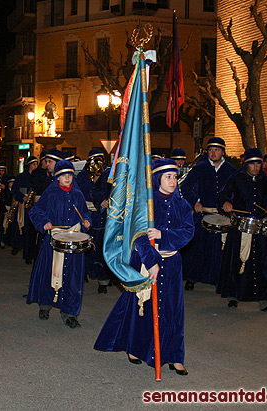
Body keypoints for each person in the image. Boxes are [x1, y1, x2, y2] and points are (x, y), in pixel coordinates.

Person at [94, 159, 194, 374]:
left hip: (172, 262)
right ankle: (135, 348)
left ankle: (174, 355)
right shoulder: (145, 205)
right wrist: (152, 262)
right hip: (146, 261)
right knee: (141, 307)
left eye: (175, 177)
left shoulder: (183, 205)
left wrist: (163, 235)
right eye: (168, 177)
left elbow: (188, 232)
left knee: (173, 309)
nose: (173, 181)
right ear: (157, 179)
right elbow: (138, 236)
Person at [26, 160, 91, 328]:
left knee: (73, 278)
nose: (67, 178)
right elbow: (35, 210)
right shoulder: (51, 193)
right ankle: (45, 305)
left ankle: (70, 313)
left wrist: (87, 221)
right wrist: (44, 222)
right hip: (54, 241)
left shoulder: (78, 194)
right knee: (50, 273)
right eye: (64, 175)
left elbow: (85, 211)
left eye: (70, 175)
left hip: (74, 241)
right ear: (57, 177)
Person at [216, 148, 267, 313]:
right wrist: (225, 204)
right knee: (236, 262)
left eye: (258, 163)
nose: (256, 167)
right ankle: (233, 295)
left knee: (263, 263)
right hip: (240, 227)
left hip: (259, 228)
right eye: (252, 163)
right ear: (246, 163)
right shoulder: (236, 178)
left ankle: (266, 300)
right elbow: (223, 195)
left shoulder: (266, 180)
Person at [180, 137, 236, 290]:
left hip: (223, 216)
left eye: (216, 150)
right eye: (210, 150)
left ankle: (218, 278)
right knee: (198, 247)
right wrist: (195, 202)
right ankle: (192, 277)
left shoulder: (231, 170)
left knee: (220, 249)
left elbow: (237, 191)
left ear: (223, 152)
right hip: (203, 213)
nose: (213, 153)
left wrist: (230, 203)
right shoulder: (200, 168)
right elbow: (185, 188)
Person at [76, 148, 110, 293]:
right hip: (88, 214)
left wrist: (107, 199)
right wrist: (99, 200)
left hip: (103, 216)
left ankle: (103, 280)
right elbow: (85, 191)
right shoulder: (83, 176)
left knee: (102, 246)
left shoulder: (107, 174)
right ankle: (82, 274)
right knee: (85, 245)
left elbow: (111, 188)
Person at [10, 156, 38, 256]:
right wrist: (22, 197)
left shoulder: (37, 177)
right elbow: (15, 189)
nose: (35, 166)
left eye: (36, 164)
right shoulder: (21, 177)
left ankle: (28, 250)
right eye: (34, 164)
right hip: (22, 204)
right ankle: (16, 245)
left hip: (32, 205)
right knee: (19, 225)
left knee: (29, 229)